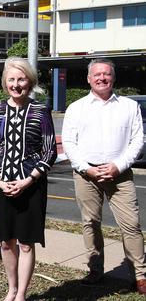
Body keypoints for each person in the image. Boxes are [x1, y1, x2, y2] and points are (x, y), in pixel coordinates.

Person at [61, 59, 146, 295]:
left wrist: (118, 166)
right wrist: (85, 168)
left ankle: (139, 275)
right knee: (91, 223)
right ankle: (95, 270)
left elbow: (137, 141)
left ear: (113, 78)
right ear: (88, 79)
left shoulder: (129, 106)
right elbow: (69, 143)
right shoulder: (76, 108)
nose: (102, 78)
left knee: (131, 225)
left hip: (120, 175)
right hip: (86, 174)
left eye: (106, 74)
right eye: (97, 74)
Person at [0, 57, 57, 301]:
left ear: (30, 82)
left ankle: (22, 294)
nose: (16, 84)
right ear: (5, 84)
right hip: (1, 185)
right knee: (6, 242)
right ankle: (11, 288)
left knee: (26, 243)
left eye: (21, 79)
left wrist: (28, 180)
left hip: (31, 186)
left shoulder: (41, 111)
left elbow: (49, 151)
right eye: (11, 79)